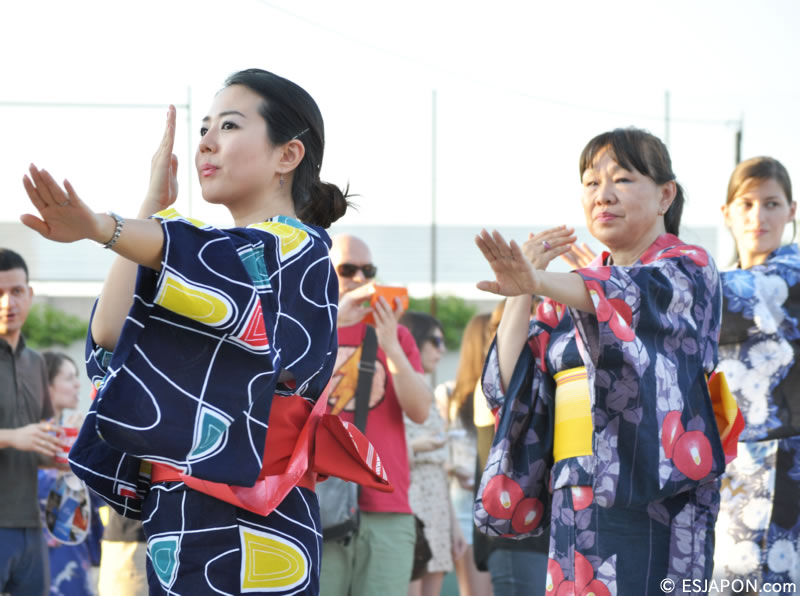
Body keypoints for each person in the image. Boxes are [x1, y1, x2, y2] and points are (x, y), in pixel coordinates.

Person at [21, 68, 352, 595]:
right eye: (203, 129)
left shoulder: (299, 250)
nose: (206, 143)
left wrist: (104, 227)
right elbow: (111, 331)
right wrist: (149, 204)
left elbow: (219, 262)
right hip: (178, 518)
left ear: (288, 155)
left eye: (229, 126)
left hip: (260, 522)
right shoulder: (202, 261)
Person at [474, 128, 733, 594]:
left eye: (623, 179)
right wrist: (522, 292)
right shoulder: (567, 294)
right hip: (576, 489)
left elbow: (630, 296)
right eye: (592, 183)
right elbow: (511, 387)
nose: (603, 195)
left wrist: (541, 280)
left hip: (656, 488)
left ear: (665, 195)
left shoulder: (688, 266)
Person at [321, 234, 433, 596]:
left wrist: (392, 348)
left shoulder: (398, 336)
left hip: (387, 506)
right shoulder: (307, 331)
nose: (359, 278)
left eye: (368, 270)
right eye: (347, 269)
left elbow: (420, 411)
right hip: (317, 502)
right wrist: (331, 325)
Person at [713, 157, 800, 589]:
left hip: (785, 465)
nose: (757, 216)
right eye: (746, 204)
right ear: (726, 212)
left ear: (792, 211)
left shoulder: (791, 274)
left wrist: (631, 281)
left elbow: (742, 295)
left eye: (771, 203)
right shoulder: (720, 280)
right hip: (727, 471)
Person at [0, 248, 62, 596]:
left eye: (16, 291)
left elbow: (41, 441)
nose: (8, 302)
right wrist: (12, 437)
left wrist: (63, 454)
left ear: (30, 294)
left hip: (31, 524)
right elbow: (22, 437)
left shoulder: (36, 362)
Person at [398, 310, 463, 596]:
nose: (442, 350)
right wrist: (415, 446)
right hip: (409, 504)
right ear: (414, 340)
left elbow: (439, 470)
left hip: (437, 504)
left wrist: (454, 526)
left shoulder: (428, 391)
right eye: (435, 341)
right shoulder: (392, 386)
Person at [38, 351, 103, 596]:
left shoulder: (70, 432)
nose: (78, 384)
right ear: (46, 386)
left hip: (73, 546)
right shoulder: (30, 435)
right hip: (43, 549)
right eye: (69, 378)